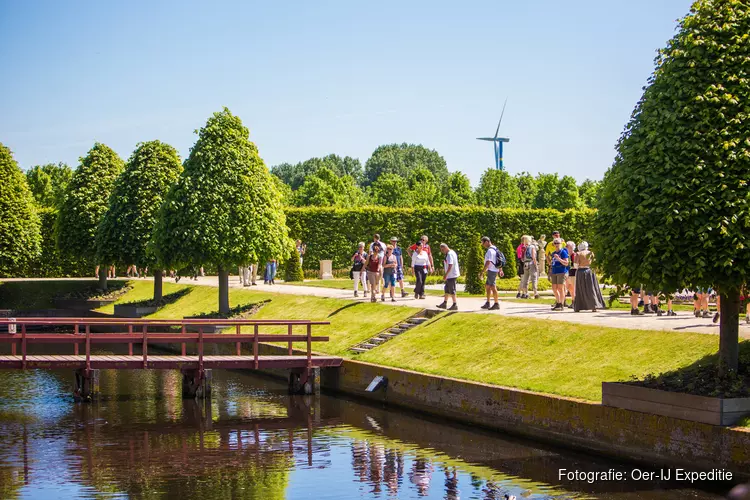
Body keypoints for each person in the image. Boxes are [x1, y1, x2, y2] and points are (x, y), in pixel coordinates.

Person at [573, 242, 605, 312]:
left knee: (580, 289)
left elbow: (575, 265)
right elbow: (594, 263)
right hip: (590, 271)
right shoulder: (591, 253)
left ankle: (579, 306)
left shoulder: (578, 254)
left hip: (581, 271)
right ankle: (594, 306)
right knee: (592, 288)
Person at [436, 243, 460, 311]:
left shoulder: (449, 254)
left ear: (446, 248)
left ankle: (455, 304)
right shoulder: (452, 252)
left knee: (452, 289)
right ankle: (445, 303)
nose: (442, 251)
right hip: (451, 275)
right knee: (446, 288)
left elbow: (450, 265)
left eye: (442, 250)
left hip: (451, 275)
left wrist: (446, 274)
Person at [480, 236, 501, 310]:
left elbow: (488, 262)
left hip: (492, 270)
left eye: (483, 243)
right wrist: (500, 269)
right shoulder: (495, 248)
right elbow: (499, 259)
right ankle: (488, 302)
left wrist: (482, 271)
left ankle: (496, 303)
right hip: (494, 269)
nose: (483, 245)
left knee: (492, 286)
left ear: (487, 242)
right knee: (487, 286)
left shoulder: (490, 251)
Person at [549, 238, 569, 311]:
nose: (556, 245)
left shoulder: (563, 252)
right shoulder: (553, 253)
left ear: (561, 244)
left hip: (562, 271)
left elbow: (566, 263)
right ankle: (557, 302)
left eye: (558, 243)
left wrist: (559, 259)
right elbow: (552, 262)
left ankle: (561, 304)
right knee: (554, 288)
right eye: (555, 243)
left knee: (560, 288)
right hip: (554, 271)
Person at [519, 235, 539, 299]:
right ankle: (535, 293)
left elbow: (522, 258)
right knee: (534, 278)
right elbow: (533, 257)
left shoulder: (524, 247)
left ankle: (525, 293)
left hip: (525, 264)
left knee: (526, 279)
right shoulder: (532, 247)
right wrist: (536, 265)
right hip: (531, 263)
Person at [565, 241, 577, 308]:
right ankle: (564, 301)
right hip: (567, 273)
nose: (566, 247)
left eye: (568, 246)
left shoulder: (574, 255)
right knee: (569, 288)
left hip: (573, 273)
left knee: (573, 288)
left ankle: (574, 301)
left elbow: (575, 265)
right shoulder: (567, 255)